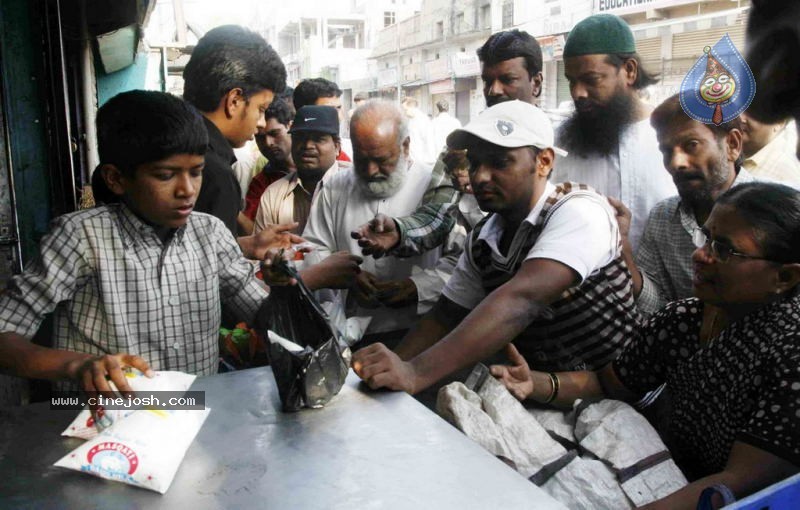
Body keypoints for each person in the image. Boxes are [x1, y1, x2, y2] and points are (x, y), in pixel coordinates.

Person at [492, 182, 800, 507]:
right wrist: (537, 384)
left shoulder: (792, 354)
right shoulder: (684, 320)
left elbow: (738, 484)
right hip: (665, 474)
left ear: (785, 278)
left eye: (723, 250)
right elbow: (608, 383)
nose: (700, 254)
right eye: (706, 238)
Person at [0, 91, 297, 395]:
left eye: (196, 173)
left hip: (190, 413)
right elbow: (5, 333)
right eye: (166, 175)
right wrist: (76, 366)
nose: (187, 190)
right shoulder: (81, 238)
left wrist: (282, 289)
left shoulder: (211, 234)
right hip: (105, 427)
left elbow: (264, 318)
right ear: (116, 178)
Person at [351, 100, 639, 394]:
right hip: (545, 394)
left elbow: (522, 300)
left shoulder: (579, 210)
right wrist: (393, 366)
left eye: (500, 163)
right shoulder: (483, 238)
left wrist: (414, 373)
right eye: (474, 163)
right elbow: (445, 316)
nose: (480, 176)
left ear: (544, 162)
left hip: (625, 391)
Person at [351, 29, 544, 258]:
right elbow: (436, 216)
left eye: (507, 80)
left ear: (536, 83)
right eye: (487, 81)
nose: (494, 90)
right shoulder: (461, 147)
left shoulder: (566, 144)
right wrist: (401, 231)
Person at [302, 100, 462, 344]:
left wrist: (416, 288)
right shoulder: (335, 187)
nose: (370, 170)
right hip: (348, 334)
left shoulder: (437, 189)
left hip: (420, 336)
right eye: (362, 159)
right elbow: (312, 249)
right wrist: (347, 278)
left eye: (381, 159)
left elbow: (460, 265)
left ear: (405, 146)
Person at [613, 94, 752, 316]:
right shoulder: (663, 217)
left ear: (732, 145)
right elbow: (656, 305)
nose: (676, 163)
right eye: (667, 151)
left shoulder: (779, 213)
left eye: (691, 145)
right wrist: (624, 251)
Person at [552, 14, 676, 251]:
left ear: (629, 71)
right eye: (571, 81)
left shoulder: (673, 139)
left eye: (592, 79)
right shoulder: (560, 145)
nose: (578, 93)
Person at [182, 24, 295, 254]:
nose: (262, 123)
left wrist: (248, 244)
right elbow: (216, 274)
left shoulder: (175, 148)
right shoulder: (213, 173)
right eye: (261, 109)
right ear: (234, 101)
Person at [241, 98, 297, 234]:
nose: (268, 142)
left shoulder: (327, 160)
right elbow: (256, 233)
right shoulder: (260, 183)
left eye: (274, 134)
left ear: (291, 126)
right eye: (260, 137)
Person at [293, 77, 352, 161]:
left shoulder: (345, 157)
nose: (338, 116)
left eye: (338, 108)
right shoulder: (289, 158)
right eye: (328, 110)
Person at [740, 111, 800, 186]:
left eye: (753, 114)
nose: (740, 118)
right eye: (739, 108)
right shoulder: (726, 145)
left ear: (779, 123)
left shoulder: (787, 176)